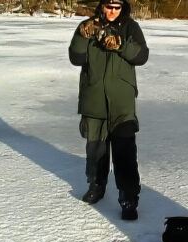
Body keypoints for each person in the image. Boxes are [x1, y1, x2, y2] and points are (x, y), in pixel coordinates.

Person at [68, 0, 149, 220]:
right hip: (93, 99)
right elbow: (76, 58)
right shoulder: (88, 26)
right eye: (108, 6)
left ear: (123, 8)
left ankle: (128, 198)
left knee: (125, 153)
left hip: (122, 102)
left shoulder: (130, 27)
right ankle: (96, 186)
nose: (112, 11)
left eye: (117, 7)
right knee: (95, 150)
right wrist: (82, 36)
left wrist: (121, 45)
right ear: (102, 6)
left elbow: (141, 56)